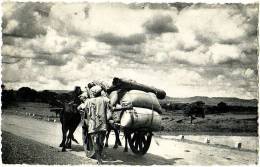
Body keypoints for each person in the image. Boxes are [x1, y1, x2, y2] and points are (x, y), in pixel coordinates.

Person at [79, 85, 109, 164]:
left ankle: (99, 160)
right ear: (100, 92)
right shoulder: (105, 100)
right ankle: (100, 156)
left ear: (93, 93)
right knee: (101, 142)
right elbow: (111, 107)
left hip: (93, 125)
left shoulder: (88, 101)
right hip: (103, 124)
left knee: (95, 142)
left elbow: (80, 107)